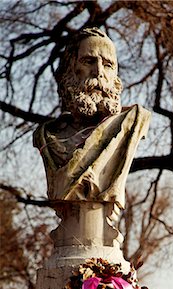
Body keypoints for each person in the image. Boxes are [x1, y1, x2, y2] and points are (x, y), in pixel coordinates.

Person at [34, 28, 150, 210]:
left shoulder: (133, 122)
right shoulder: (48, 136)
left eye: (108, 65)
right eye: (89, 61)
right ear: (71, 69)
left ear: (115, 76)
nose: (98, 72)